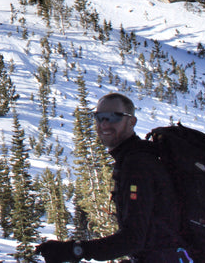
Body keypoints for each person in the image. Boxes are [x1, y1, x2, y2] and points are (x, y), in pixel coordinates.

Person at [36, 92, 187, 263]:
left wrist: (75, 250)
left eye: (113, 117)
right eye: (99, 117)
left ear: (132, 122)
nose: (104, 124)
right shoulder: (135, 158)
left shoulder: (138, 164)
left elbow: (133, 239)